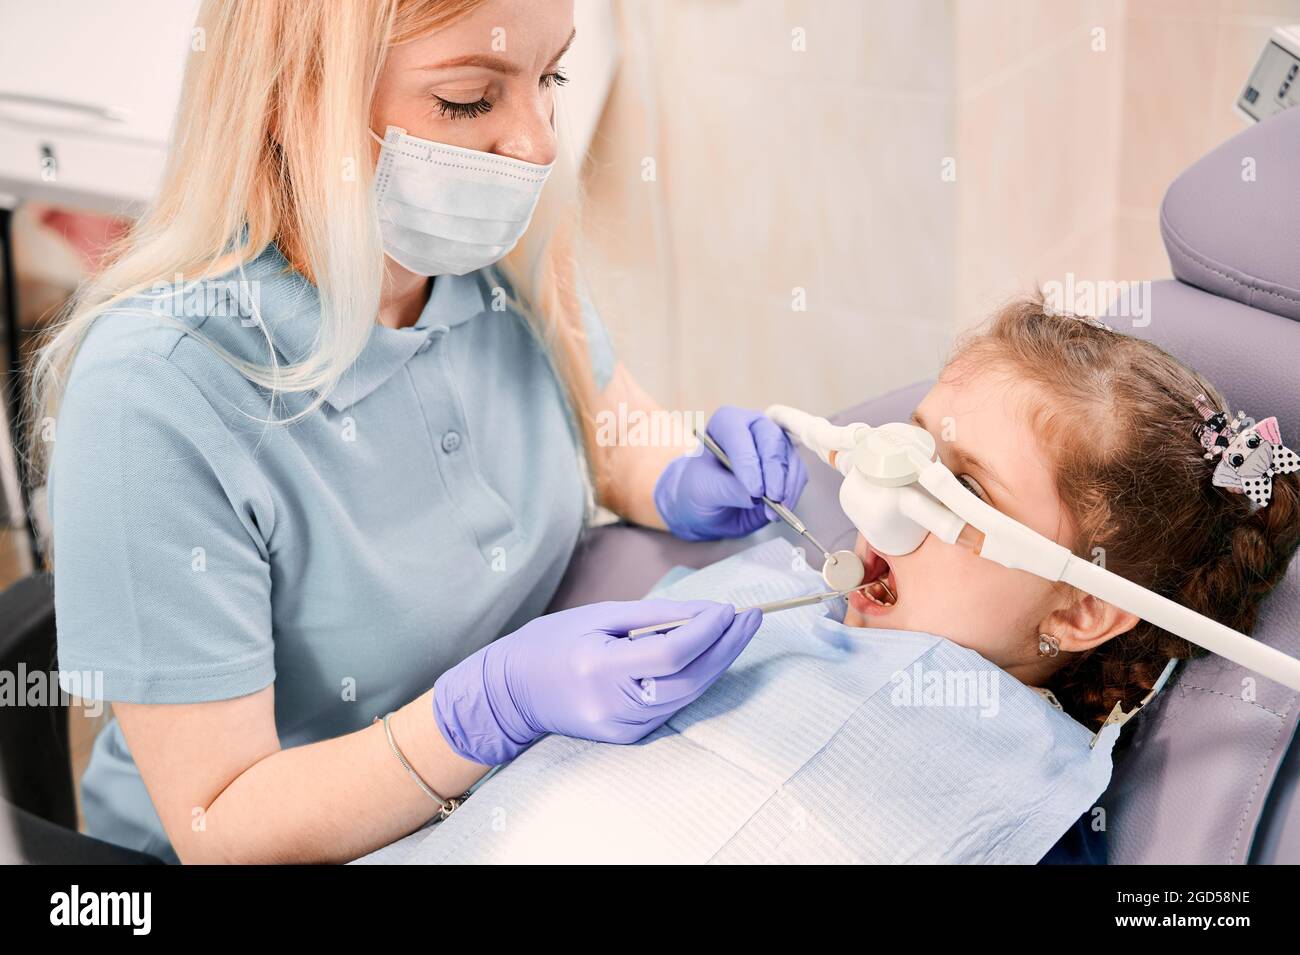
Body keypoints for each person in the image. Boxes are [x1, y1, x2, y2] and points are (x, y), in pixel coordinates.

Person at [34, 0, 806, 863]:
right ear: (296, 100)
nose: (538, 144)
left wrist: (680, 473)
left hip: (512, 793)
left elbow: (610, 435)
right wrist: (485, 711)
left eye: (549, 77)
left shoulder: (496, 249)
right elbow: (223, 822)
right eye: (472, 99)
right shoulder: (158, 393)